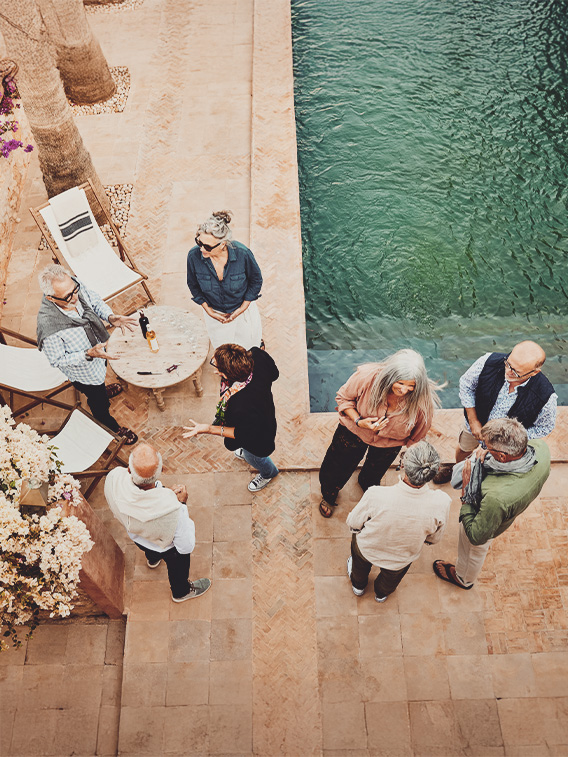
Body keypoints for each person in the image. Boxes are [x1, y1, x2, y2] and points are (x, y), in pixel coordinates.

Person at [318, 349, 442, 518]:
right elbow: (344, 398)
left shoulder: (422, 400)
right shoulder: (367, 377)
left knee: (374, 474)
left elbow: (418, 433)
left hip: (389, 445)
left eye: (411, 386)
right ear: (390, 376)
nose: (404, 390)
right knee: (336, 466)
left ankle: (367, 485)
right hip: (354, 432)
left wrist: (410, 455)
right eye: (400, 383)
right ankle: (329, 494)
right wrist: (358, 421)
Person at [433, 417, 550, 590]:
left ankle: (463, 579)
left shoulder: (496, 497)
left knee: (472, 551)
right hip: (512, 505)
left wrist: (466, 495)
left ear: (502, 456)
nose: (483, 449)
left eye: (486, 447)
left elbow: (477, 536)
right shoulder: (541, 448)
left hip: (487, 517)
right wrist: (488, 453)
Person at [36, 264, 138, 444]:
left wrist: (110, 317)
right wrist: (88, 353)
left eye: (75, 290)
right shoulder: (48, 327)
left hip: (100, 353)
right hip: (85, 374)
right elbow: (57, 360)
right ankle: (112, 428)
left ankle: (103, 390)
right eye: (68, 296)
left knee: (102, 381)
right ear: (51, 298)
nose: (75, 297)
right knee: (98, 402)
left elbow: (95, 301)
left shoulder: (73, 286)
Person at [104, 443, 211, 602]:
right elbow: (185, 546)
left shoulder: (114, 476)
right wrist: (181, 503)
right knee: (178, 563)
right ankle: (181, 592)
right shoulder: (174, 510)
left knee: (149, 547)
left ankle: (153, 559)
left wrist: (164, 493)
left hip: (137, 536)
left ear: (128, 469)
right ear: (161, 471)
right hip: (166, 547)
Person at [346, 441, 451, 602]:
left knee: (359, 567)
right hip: (400, 559)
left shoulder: (375, 494)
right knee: (390, 580)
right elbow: (434, 539)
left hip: (367, 548)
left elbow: (353, 522)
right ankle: (381, 594)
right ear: (434, 471)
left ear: (402, 465)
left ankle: (358, 587)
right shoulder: (442, 502)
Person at [183, 343, 279, 492]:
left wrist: (208, 429)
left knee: (253, 456)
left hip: (257, 438)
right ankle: (248, 453)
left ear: (225, 374)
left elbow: (240, 433)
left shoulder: (241, 405)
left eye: (216, 366)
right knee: (246, 448)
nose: (214, 368)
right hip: (264, 413)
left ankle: (268, 473)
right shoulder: (256, 354)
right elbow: (274, 374)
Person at [456, 341, 556, 463]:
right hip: (474, 425)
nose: (508, 371)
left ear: (534, 372)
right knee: (463, 449)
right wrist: (473, 421)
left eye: (515, 372)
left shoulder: (546, 396)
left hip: (504, 446)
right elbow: (466, 385)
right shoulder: (487, 361)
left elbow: (544, 427)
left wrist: (505, 442)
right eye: (508, 364)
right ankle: (457, 470)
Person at [186, 210, 263, 349]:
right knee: (224, 350)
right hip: (215, 315)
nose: (202, 249)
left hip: (242, 311)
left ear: (223, 244)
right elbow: (193, 285)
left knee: (248, 347)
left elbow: (256, 281)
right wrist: (208, 310)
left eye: (208, 246)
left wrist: (243, 307)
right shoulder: (193, 256)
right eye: (199, 242)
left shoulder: (243, 254)